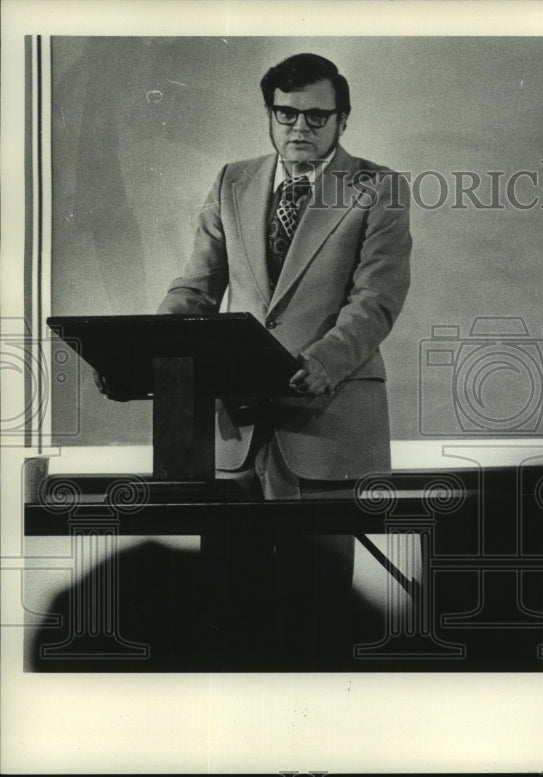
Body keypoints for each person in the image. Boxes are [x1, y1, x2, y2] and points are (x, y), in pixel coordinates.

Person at [154, 53, 411, 659]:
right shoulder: (231, 181)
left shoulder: (378, 187)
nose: (301, 127)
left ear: (343, 121)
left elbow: (376, 299)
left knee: (318, 614)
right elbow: (197, 286)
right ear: (270, 116)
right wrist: (156, 343)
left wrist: (322, 363)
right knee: (226, 610)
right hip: (234, 431)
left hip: (326, 422)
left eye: (317, 117)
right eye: (286, 114)